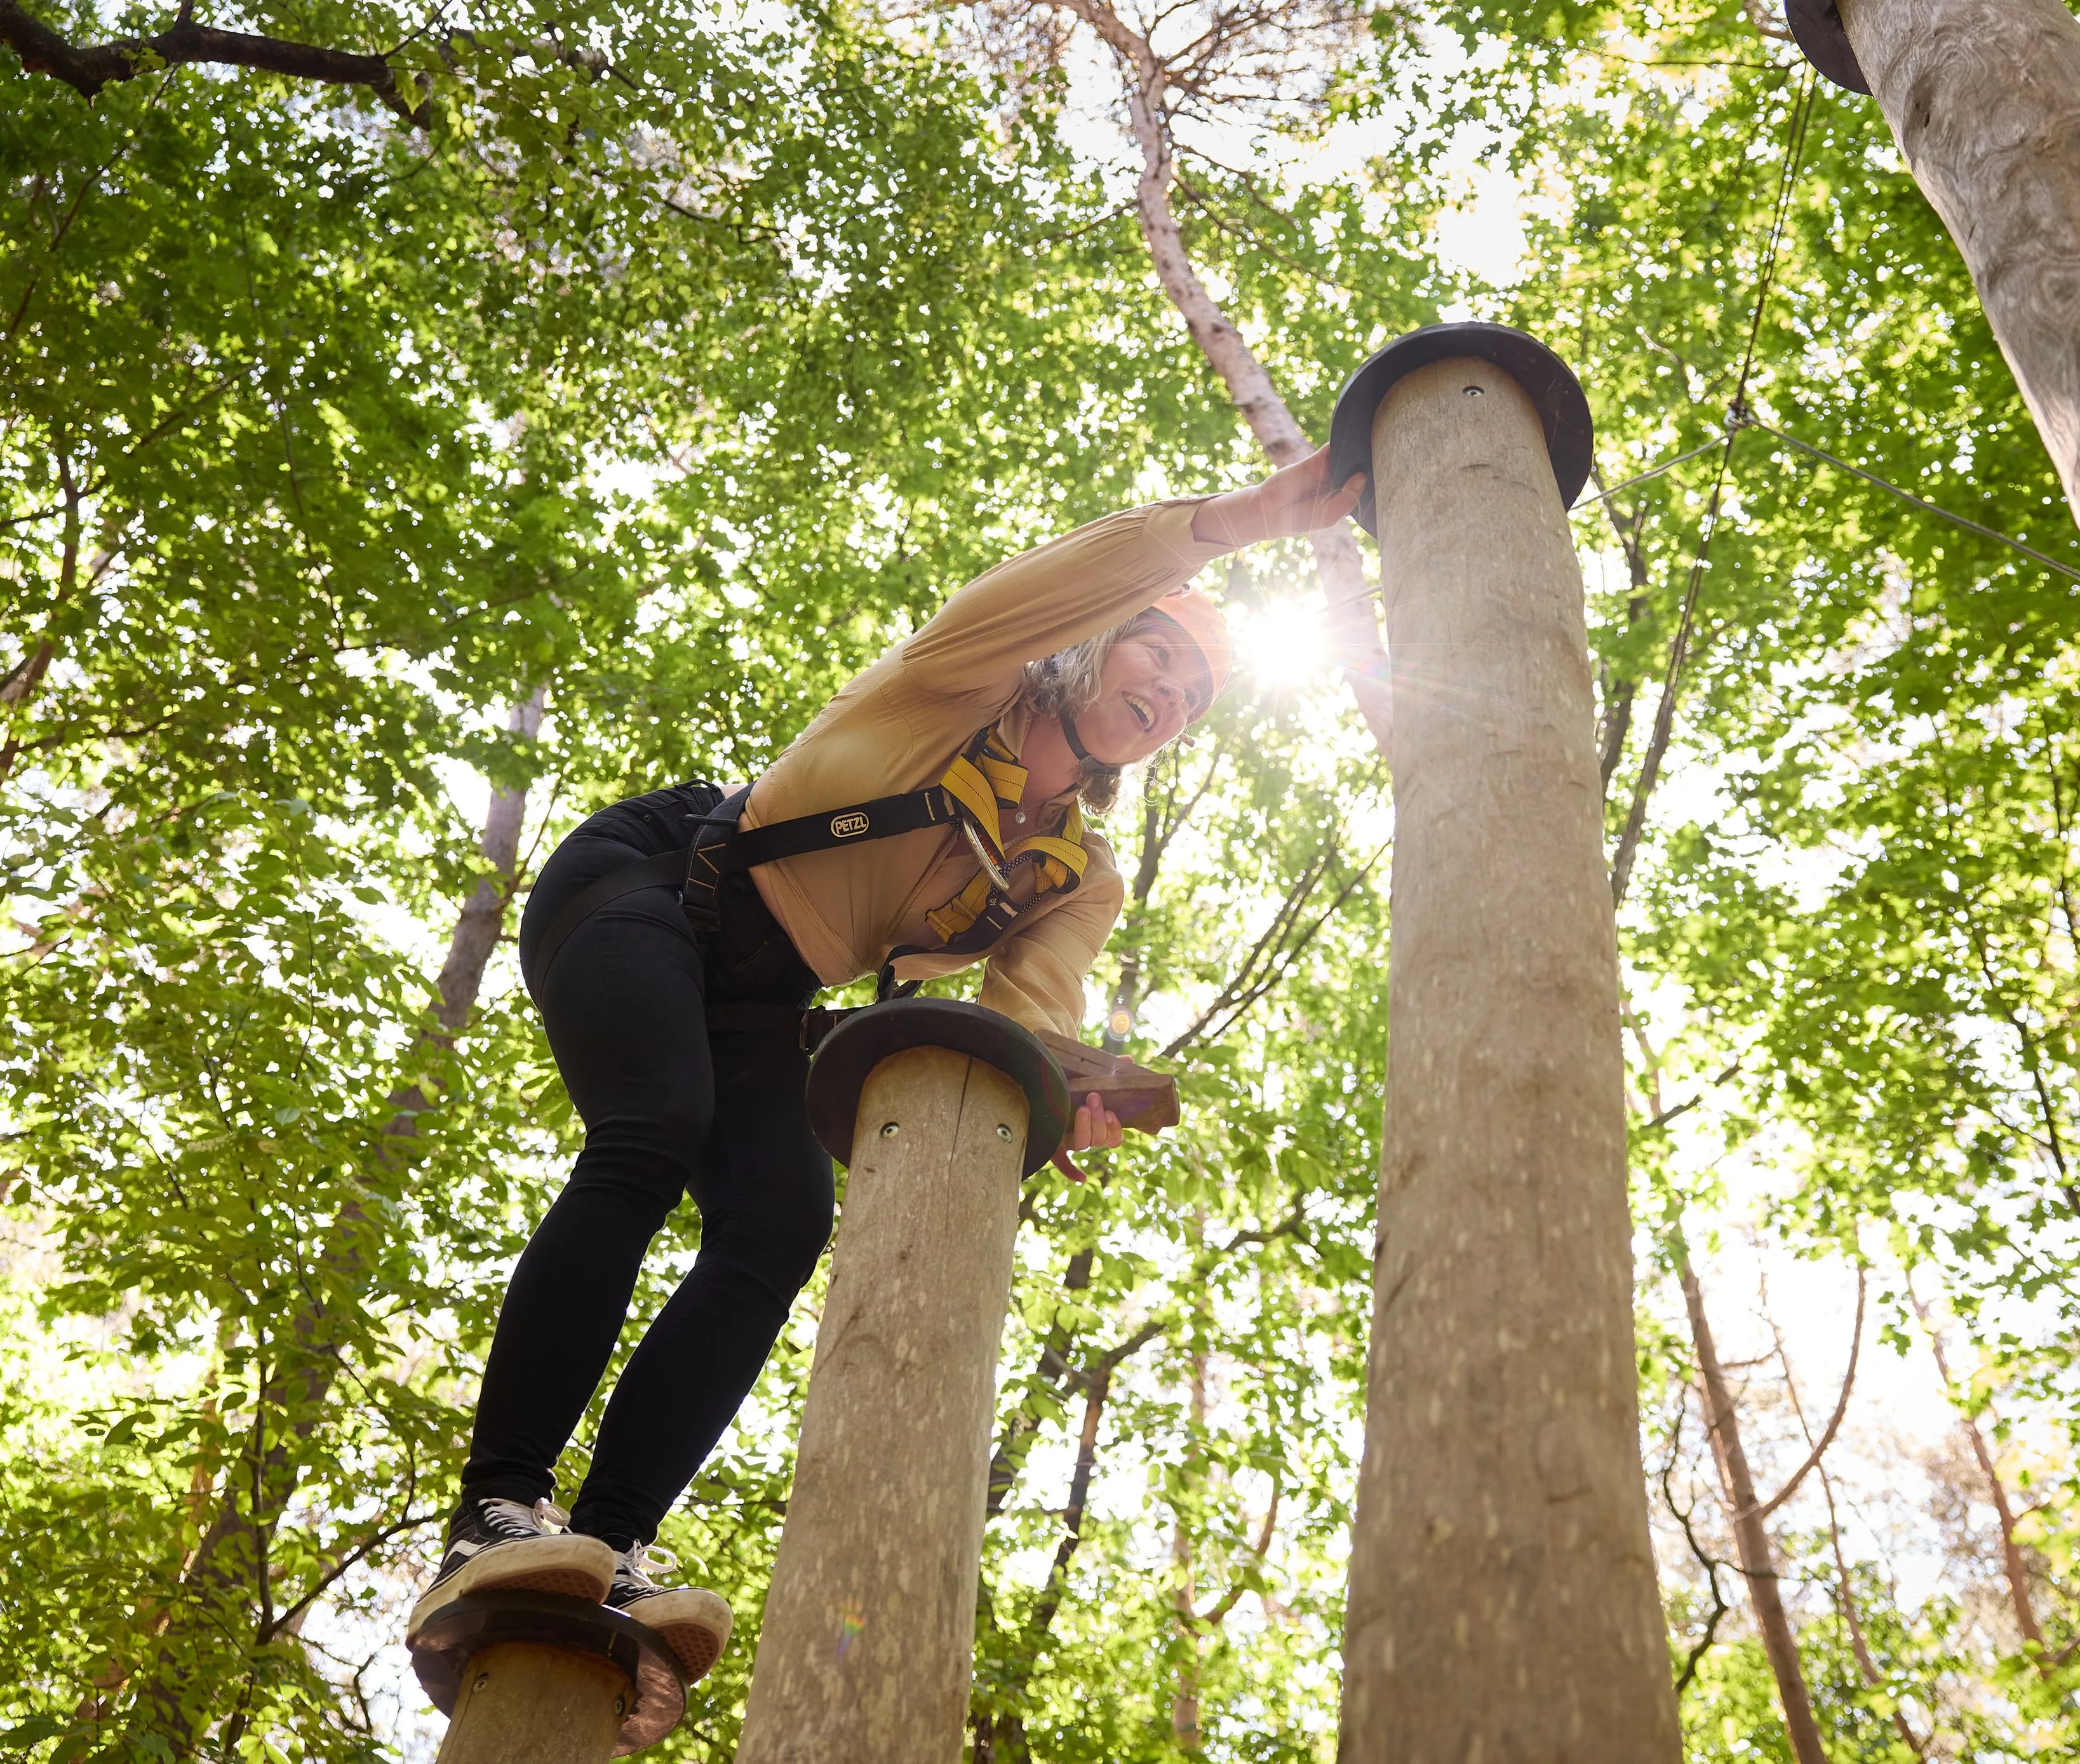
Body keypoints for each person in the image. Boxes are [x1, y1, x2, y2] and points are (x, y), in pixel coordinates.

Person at [407, 448, 1365, 1683]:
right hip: (656, 887)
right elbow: (1084, 570)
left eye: (1197, 695)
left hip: (765, 999)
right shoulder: (962, 683)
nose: (1174, 693)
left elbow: (1029, 1018)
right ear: (1091, 646)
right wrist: (1240, 523)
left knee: (780, 1219)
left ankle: (609, 1541)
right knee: (650, 1130)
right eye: (1159, 656)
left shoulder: (1078, 871)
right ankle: (496, 1508)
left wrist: (1064, 1097)